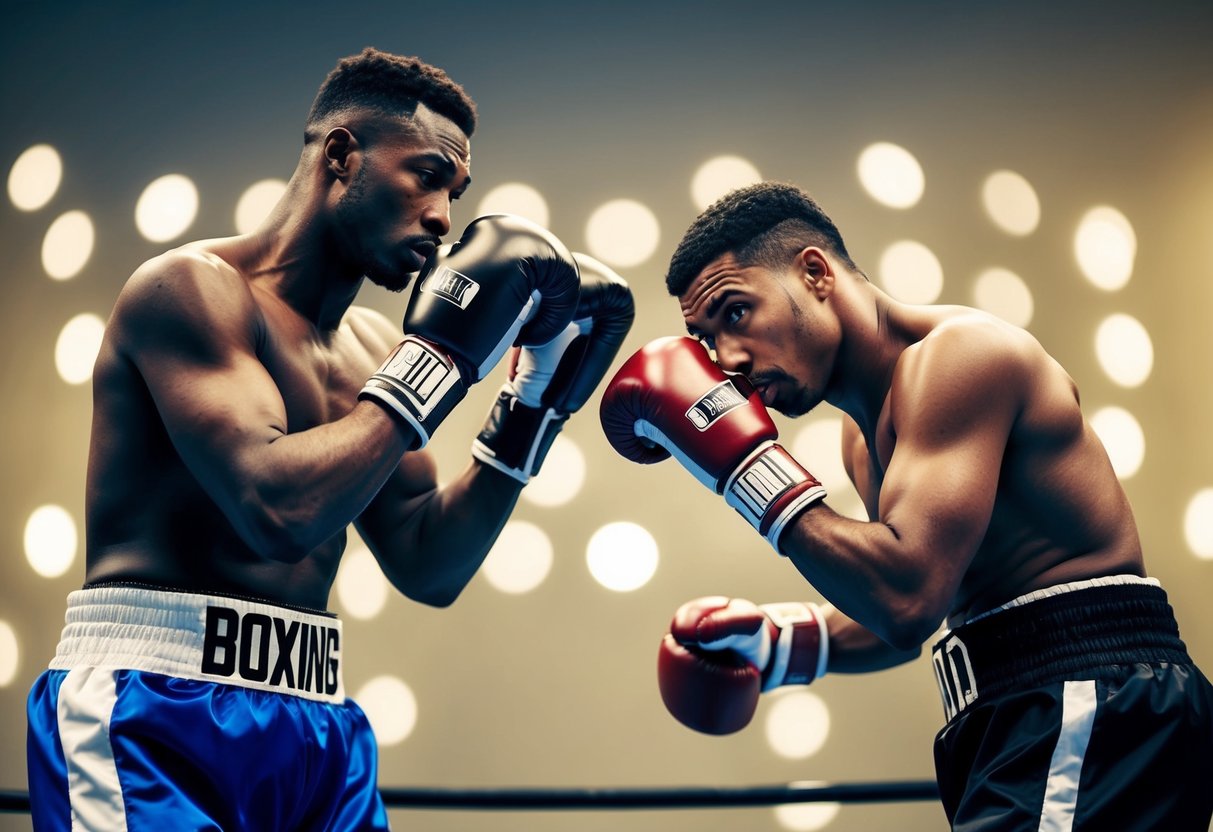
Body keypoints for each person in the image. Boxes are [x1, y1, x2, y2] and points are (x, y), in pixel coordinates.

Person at [26, 47, 634, 831]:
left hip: (318, 725)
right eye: (425, 175)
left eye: (456, 192)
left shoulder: (375, 350)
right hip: (151, 706)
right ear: (341, 155)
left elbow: (428, 561)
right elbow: (276, 511)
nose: (444, 217)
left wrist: (532, 407)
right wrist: (442, 358)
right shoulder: (187, 289)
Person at [600, 181, 1213, 829]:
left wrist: (741, 467)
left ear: (813, 273)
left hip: (1087, 701)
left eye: (735, 313)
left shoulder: (961, 357)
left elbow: (907, 595)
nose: (727, 360)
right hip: (1026, 709)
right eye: (704, 339)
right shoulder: (860, 441)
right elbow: (917, 609)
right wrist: (780, 642)